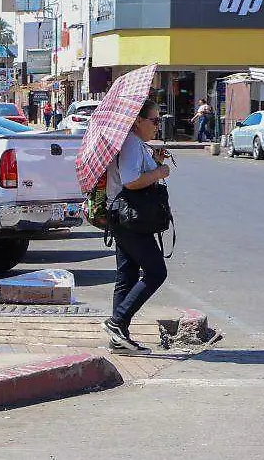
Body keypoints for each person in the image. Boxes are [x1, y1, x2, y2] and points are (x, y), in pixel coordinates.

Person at [101, 98, 171, 353]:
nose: (157, 125)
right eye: (154, 120)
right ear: (138, 120)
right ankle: (117, 322)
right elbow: (131, 181)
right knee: (156, 272)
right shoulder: (131, 143)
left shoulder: (136, 143)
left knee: (127, 275)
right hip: (129, 218)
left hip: (125, 218)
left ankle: (119, 338)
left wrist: (155, 160)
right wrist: (160, 171)